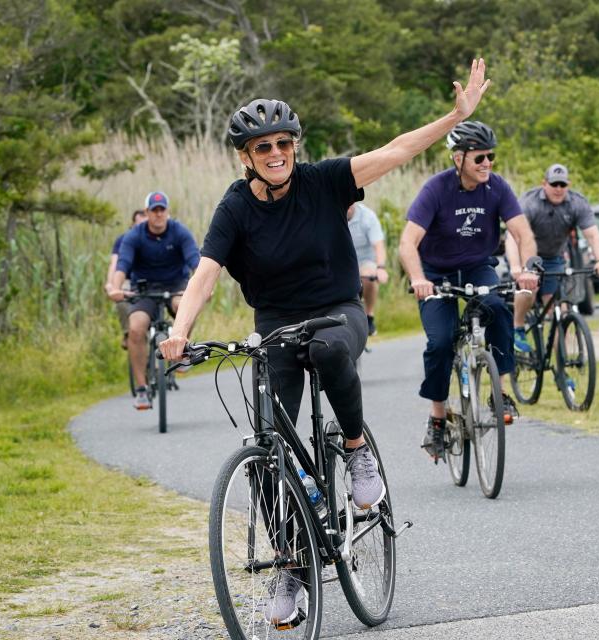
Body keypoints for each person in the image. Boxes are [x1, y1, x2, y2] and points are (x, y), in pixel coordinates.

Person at [159, 59, 492, 626]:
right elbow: (207, 272)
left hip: (337, 310)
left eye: (282, 143)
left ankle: (357, 449)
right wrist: (179, 331)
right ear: (246, 157)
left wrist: (453, 119)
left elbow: (396, 151)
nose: (275, 154)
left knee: (331, 350)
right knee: (268, 451)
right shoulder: (234, 208)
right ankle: (291, 566)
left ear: (293, 146)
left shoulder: (323, 180)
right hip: (276, 324)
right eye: (262, 148)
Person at [398, 120, 540, 463]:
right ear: (458, 158)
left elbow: (523, 234)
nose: (487, 163)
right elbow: (407, 243)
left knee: (498, 306)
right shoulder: (436, 189)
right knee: (441, 342)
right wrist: (419, 278)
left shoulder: (497, 188)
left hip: (478, 266)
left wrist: (530, 266)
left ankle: (500, 392)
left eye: (490, 156)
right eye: (480, 158)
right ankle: (437, 416)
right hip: (436, 273)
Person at [506, 163, 599, 354]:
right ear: (544, 184)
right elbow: (513, 237)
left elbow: (593, 235)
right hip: (527, 256)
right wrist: (516, 267)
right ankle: (518, 328)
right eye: (554, 184)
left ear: (568, 185)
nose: (558, 189)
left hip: (554, 258)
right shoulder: (530, 202)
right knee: (529, 288)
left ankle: (562, 367)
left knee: (559, 313)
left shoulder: (577, 203)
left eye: (562, 185)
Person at [109, 191, 199, 410]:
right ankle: (141, 389)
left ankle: (181, 349)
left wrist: (201, 287)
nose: (158, 215)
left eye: (162, 210)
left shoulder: (179, 232)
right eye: (154, 210)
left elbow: (195, 261)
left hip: (175, 285)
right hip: (145, 288)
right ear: (147, 212)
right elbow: (123, 264)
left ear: (167, 211)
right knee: (136, 328)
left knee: (185, 306)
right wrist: (115, 286)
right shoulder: (135, 236)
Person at [105, 208, 147, 349]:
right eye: (139, 224)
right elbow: (115, 263)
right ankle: (127, 332)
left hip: (151, 280)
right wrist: (111, 284)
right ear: (133, 224)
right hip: (128, 280)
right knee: (121, 300)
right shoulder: (124, 240)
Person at [347, 202, 389, 335]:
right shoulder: (331, 215)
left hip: (365, 261)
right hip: (344, 261)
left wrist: (381, 267)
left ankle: (369, 316)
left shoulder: (367, 217)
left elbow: (378, 246)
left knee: (369, 276)